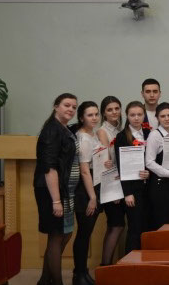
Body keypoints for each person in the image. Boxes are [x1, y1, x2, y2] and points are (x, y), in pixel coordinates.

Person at [35, 93, 79, 285]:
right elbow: (49, 168)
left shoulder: (63, 128)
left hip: (64, 191)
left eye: (74, 107)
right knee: (56, 235)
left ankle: (45, 280)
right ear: (56, 106)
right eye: (66, 105)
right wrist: (56, 201)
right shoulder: (52, 130)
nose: (71, 109)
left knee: (65, 233)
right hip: (51, 191)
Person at [113, 101, 151, 253]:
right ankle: (130, 263)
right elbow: (121, 166)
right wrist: (127, 192)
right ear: (127, 116)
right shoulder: (122, 136)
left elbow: (153, 160)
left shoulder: (149, 133)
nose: (136, 118)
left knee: (147, 227)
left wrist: (149, 172)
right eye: (132, 115)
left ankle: (146, 263)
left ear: (144, 115)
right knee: (135, 228)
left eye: (139, 114)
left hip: (148, 188)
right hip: (132, 190)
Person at [71, 101, 101, 285]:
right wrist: (92, 197)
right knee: (83, 233)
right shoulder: (83, 137)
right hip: (85, 190)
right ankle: (79, 274)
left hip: (93, 183)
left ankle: (82, 273)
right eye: (90, 115)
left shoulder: (93, 134)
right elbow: (84, 170)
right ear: (82, 118)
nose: (94, 118)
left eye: (96, 114)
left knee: (86, 233)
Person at [144, 102, 169, 230]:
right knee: (162, 222)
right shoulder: (154, 135)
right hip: (160, 185)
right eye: (163, 116)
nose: (167, 119)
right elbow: (149, 162)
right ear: (157, 118)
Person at [94, 96, 125, 265]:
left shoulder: (121, 129)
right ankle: (105, 266)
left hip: (121, 181)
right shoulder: (102, 131)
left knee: (116, 225)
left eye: (117, 108)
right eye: (110, 109)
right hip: (110, 183)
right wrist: (114, 190)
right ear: (104, 113)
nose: (114, 112)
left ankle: (106, 266)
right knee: (116, 225)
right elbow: (106, 162)